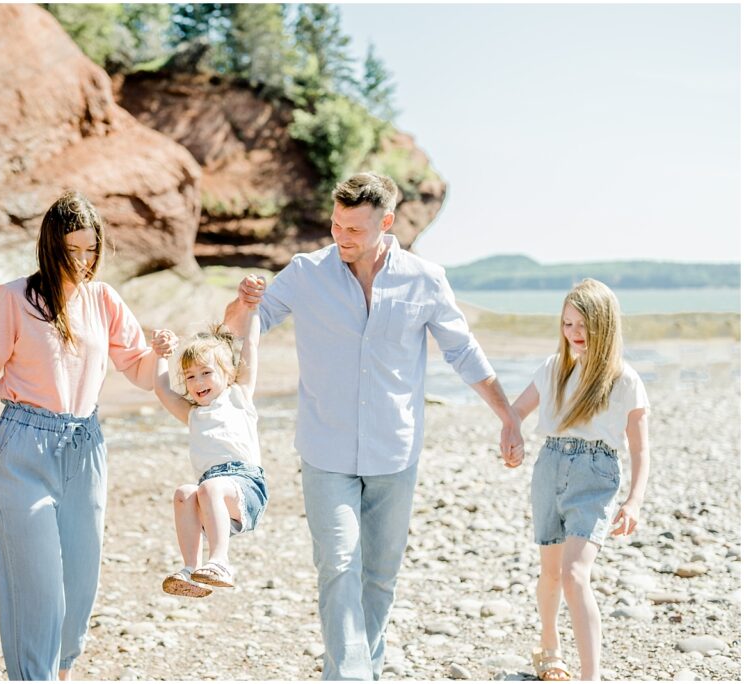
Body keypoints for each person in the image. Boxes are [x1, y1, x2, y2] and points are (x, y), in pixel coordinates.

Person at [223, 171, 525, 680]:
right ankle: (350, 677)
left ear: (387, 223)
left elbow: (461, 350)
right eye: (337, 225)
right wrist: (242, 302)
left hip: (395, 451)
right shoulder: (305, 272)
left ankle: (365, 668)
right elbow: (243, 328)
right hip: (325, 450)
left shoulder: (424, 279)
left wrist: (508, 414)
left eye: (355, 229)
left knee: (380, 578)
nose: (342, 236)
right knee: (339, 565)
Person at [0, 191, 173, 680]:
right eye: (72, 250)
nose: (83, 260)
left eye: (91, 249)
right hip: (21, 451)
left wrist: (158, 352)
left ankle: (60, 672)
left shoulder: (105, 299)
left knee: (78, 591)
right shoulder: (12, 299)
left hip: (85, 449)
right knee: (36, 591)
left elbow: (138, 371)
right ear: (49, 247)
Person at [509, 278, 650, 681]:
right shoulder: (553, 368)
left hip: (596, 474)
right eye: (568, 324)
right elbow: (517, 411)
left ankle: (590, 676)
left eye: (584, 325)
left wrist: (634, 501)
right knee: (551, 572)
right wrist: (511, 433)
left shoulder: (625, 380)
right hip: (549, 467)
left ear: (605, 326)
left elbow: (640, 449)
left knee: (575, 573)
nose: (574, 333)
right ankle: (549, 643)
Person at [150, 311, 267, 598]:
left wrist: (251, 310)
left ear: (228, 374)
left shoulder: (238, 396)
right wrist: (161, 356)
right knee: (183, 493)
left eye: (206, 373)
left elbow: (250, 347)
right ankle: (192, 570)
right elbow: (162, 389)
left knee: (209, 487)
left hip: (245, 485)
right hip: (210, 493)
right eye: (190, 376)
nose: (197, 381)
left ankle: (221, 562)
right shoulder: (193, 414)